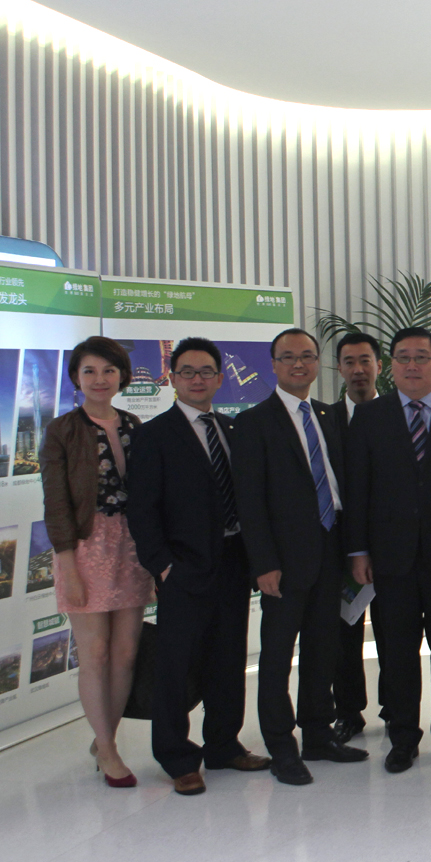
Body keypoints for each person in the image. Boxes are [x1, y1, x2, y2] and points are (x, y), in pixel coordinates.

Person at [128, 337, 271, 795]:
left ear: (220, 378)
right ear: (172, 378)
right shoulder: (154, 435)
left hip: (233, 562)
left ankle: (224, 746)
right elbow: (142, 510)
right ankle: (177, 757)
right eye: (187, 371)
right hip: (183, 568)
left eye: (206, 371)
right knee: (175, 665)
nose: (197, 379)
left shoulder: (232, 428)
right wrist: (162, 566)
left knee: (228, 659)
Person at [233, 328, 370, 786]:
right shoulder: (253, 423)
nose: (298, 364)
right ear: (273, 364)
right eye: (288, 357)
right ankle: (281, 745)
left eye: (307, 356)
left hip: (330, 551)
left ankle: (318, 734)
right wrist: (263, 563)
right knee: (276, 656)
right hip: (283, 560)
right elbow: (249, 502)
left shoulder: (328, 416)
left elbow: (344, 485)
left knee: (322, 648)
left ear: (317, 363)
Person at [345, 327, 431, 773]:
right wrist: (358, 551)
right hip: (390, 555)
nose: (413, 365)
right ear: (390, 366)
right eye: (403, 357)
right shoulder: (369, 417)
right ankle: (402, 737)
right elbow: (357, 489)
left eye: (422, 357)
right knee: (397, 650)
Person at [40, 337, 153, 789]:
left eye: (109, 371)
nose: (99, 379)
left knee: (125, 653)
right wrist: (67, 565)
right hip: (85, 547)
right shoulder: (62, 430)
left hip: (132, 545)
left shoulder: (133, 424)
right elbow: (56, 502)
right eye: (89, 371)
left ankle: (105, 737)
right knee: (96, 653)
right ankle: (107, 749)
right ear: (76, 377)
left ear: (122, 376)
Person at [331, 331, 382, 745]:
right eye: (349, 362)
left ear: (379, 366)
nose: (358, 369)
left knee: (395, 630)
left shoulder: (399, 415)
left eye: (365, 360)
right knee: (344, 632)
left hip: (393, 544)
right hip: (341, 545)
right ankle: (348, 711)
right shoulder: (324, 420)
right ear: (339, 369)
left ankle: (396, 706)